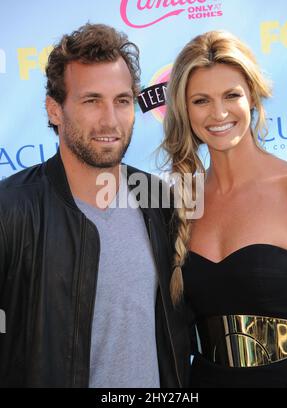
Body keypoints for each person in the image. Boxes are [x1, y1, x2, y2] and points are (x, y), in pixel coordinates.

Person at [0, 23, 192, 388]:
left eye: (122, 101)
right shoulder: (11, 211)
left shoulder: (160, 201)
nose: (110, 120)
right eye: (91, 101)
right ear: (54, 110)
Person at [161, 30, 287, 387]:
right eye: (201, 100)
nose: (219, 112)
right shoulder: (177, 204)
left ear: (251, 96)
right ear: (184, 109)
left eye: (231, 95)